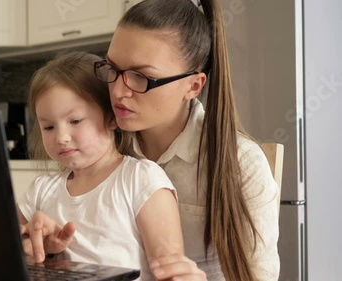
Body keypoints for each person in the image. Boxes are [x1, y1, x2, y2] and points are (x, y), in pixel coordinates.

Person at [93, 0, 280, 280]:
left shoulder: (242, 164)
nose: (119, 91)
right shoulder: (98, 145)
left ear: (193, 86)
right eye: (113, 69)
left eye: (140, 77)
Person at [17, 51, 185, 281]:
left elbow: (173, 272)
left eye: (75, 121)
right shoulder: (41, 190)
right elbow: (5, 252)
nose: (61, 137)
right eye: (48, 127)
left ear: (112, 116)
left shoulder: (141, 180)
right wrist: (33, 245)